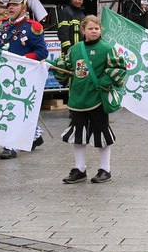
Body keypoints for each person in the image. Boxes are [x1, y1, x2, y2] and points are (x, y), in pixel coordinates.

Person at [53, 15, 128, 184]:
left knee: (101, 133)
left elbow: (119, 68)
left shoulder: (107, 48)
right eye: (90, 28)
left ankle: (105, 169)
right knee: (78, 135)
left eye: (96, 28)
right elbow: (65, 66)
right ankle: (80, 169)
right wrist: (51, 65)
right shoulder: (75, 49)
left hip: (97, 99)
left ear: (100, 30)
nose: (94, 31)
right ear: (83, 30)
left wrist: (104, 82)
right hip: (78, 99)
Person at [0, 0, 48, 159]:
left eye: (15, 5)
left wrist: (21, 60)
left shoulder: (33, 27)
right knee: (11, 108)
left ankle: (10, 146)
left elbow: (41, 52)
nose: (10, 8)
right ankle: (34, 136)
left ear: (23, 8)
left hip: (22, 76)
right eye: (9, 5)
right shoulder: (1, 26)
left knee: (12, 109)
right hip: (4, 74)